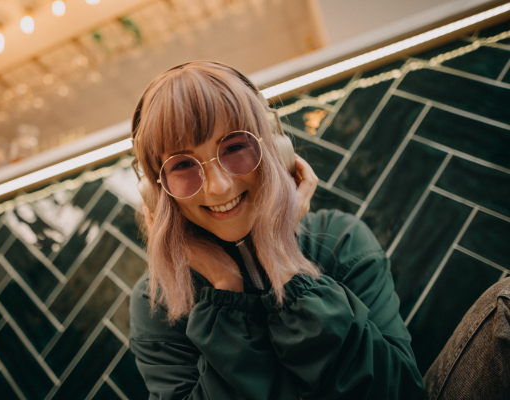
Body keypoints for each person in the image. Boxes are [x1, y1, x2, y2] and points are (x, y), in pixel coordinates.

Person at [128, 61, 426, 399]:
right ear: (154, 191)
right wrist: (225, 291)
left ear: (275, 150)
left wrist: (284, 261)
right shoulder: (155, 302)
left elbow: (399, 391)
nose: (219, 187)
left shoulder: (342, 240)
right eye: (183, 165)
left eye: (235, 147)